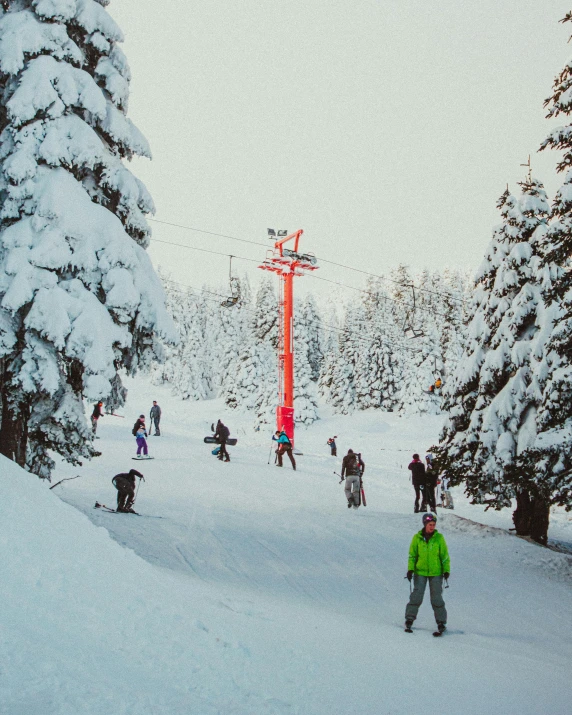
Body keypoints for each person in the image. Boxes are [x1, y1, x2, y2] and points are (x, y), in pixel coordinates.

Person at [405, 513, 450, 633]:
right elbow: (412, 555)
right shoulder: (417, 538)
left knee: (436, 598)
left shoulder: (439, 538)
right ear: (425, 524)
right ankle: (409, 619)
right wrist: (410, 569)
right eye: (430, 525)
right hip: (420, 572)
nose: (432, 527)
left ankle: (441, 622)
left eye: (434, 525)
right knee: (417, 596)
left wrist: (446, 570)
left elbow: (444, 556)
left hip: (436, 573)